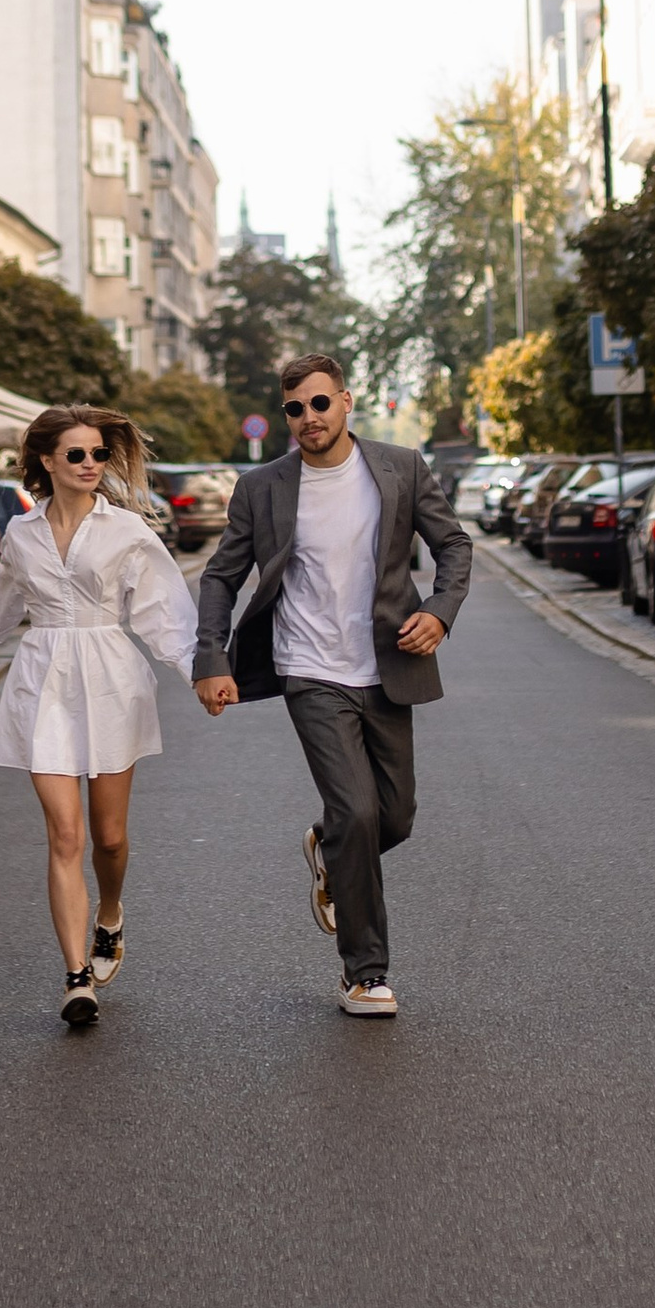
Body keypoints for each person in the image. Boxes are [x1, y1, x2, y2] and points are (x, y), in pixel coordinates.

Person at [191, 354, 471, 1017]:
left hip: (387, 664)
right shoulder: (262, 486)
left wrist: (439, 610)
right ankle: (365, 971)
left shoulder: (399, 467)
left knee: (394, 814)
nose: (308, 418)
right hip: (309, 669)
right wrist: (211, 657)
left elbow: (453, 545)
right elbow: (219, 576)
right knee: (358, 809)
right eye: (295, 408)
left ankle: (329, 845)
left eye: (320, 403)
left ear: (345, 402)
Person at [0, 403, 198, 1032]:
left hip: (111, 678)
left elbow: (162, 611)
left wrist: (198, 673)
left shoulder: (128, 532)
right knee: (65, 837)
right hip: (42, 680)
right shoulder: (22, 533)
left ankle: (110, 913)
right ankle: (75, 977)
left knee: (109, 838)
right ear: (47, 461)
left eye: (98, 453)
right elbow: (6, 596)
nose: (91, 464)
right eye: (77, 455)